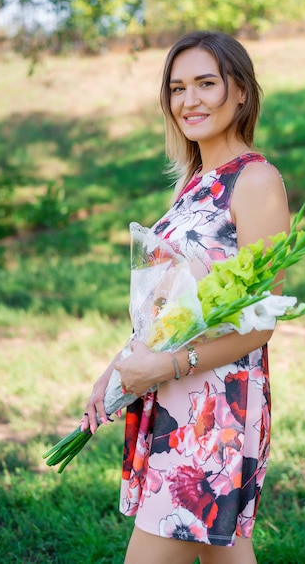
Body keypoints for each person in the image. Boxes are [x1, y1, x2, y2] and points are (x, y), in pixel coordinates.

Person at [81, 31, 290, 564]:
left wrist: (167, 366)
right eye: (177, 88)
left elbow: (261, 322)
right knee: (228, 553)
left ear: (240, 91)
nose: (189, 101)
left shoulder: (257, 181)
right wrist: (118, 367)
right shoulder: (195, 182)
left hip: (212, 409)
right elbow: (165, 307)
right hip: (175, 394)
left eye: (205, 84)